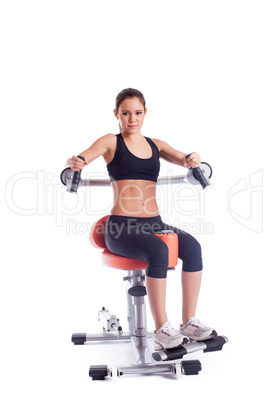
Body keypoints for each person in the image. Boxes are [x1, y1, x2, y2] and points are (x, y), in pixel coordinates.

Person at [66, 88, 217, 350]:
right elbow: (85, 156)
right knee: (159, 250)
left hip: (154, 224)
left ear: (145, 113)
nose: (132, 118)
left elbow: (184, 159)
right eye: (125, 113)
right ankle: (161, 328)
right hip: (121, 227)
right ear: (116, 114)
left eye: (137, 112)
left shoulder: (155, 145)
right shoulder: (111, 142)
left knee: (193, 247)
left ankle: (189, 321)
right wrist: (76, 162)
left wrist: (194, 159)